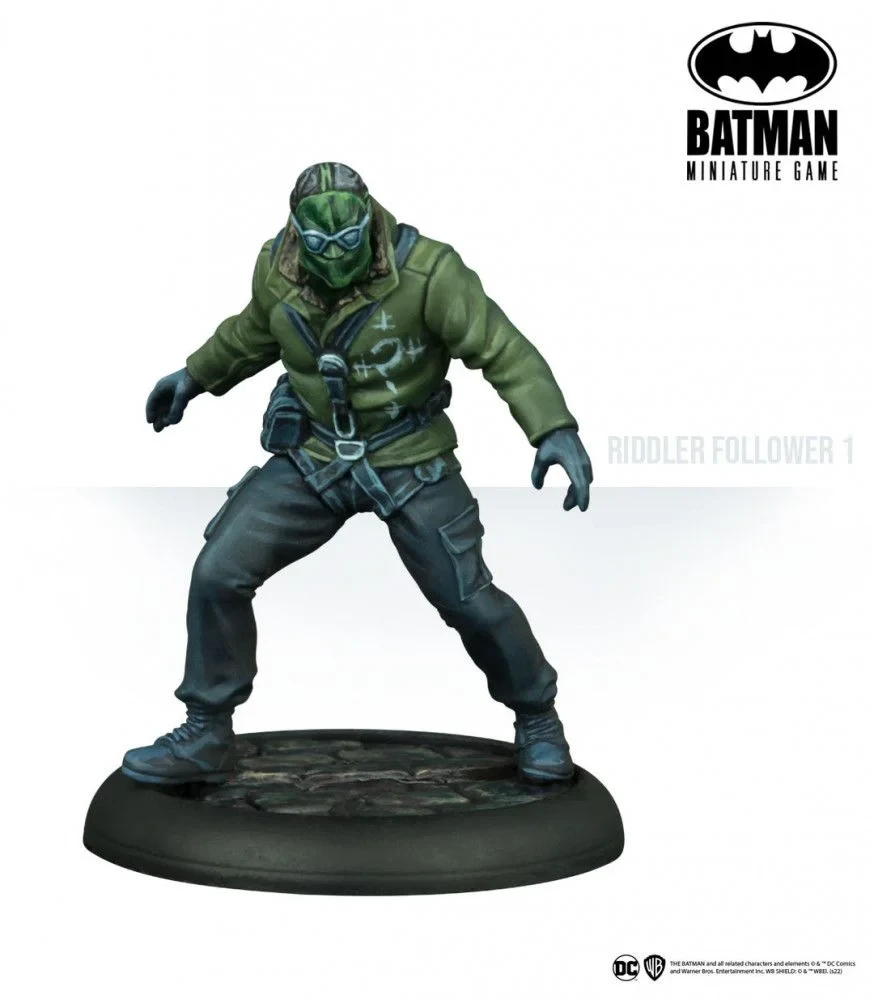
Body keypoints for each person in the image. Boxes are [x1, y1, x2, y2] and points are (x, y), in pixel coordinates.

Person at [123, 162, 593, 787]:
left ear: (369, 224)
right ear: (298, 235)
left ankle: (537, 716)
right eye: (319, 242)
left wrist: (552, 427)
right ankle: (206, 728)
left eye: (347, 240)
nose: (334, 255)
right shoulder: (277, 269)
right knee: (218, 572)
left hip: (409, 458)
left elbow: (502, 348)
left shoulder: (428, 273)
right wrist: (194, 377)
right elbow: (251, 334)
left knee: (469, 600)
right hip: (315, 456)